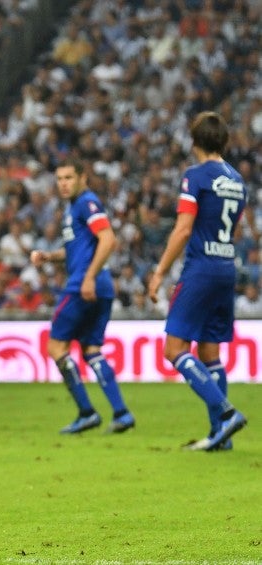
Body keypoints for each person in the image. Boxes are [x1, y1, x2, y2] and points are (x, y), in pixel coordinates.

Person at [147, 111, 249, 452]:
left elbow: (184, 228)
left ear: (194, 142)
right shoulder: (237, 180)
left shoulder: (195, 176)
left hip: (201, 268)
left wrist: (160, 271)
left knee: (173, 349)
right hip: (225, 267)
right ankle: (220, 437)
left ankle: (225, 412)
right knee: (209, 351)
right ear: (224, 141)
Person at [30, 160, 135, 435]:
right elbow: (78, 250)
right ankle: (122, 413)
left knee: (56, 347)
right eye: (59, 178)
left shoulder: (86, 202)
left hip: (83, 286)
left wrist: (87, 277)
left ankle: (87, 412)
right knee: (91, 351)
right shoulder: (73, 208)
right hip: (102, 288)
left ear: (82, 178)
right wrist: (50, 256)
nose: (63, 183)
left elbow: (108, 239)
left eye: (68, 177)